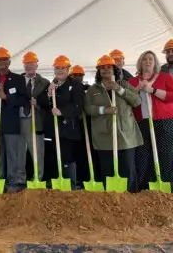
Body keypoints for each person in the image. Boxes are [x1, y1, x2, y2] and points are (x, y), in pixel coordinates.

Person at [85, 55, 142, 193]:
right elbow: (88, 108)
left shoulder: (124, 84)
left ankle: (130, 200)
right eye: (102, 68)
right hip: (103, 138)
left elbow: (137, 101)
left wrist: (118, 89)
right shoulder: (94, 89)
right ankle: (110, 203)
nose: (105, 70)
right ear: (99, 71)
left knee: (127, 170)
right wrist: (104, 110)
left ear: (114, 69)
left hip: (125, 136)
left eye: (109, 67)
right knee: (107, 171)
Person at [0, 47, 27, 193]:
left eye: (4, 59)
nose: (2, 62)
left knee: (12, 154)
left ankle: (13, 182)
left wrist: (6, 97)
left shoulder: (18, 79)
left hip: (11, 123)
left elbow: (23, 99)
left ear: (9, 61)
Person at [128, 50, 173, 191]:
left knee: (165, 153)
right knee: (142, 154)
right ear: (140, 63)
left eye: (150, 59)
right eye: (145, 59)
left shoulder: (164, 77)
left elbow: (172, 95)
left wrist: (152, 90)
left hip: (163, 121)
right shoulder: (132, 81)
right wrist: (137, 89)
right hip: (140, 122)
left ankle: (165, 183)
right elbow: (127, 99)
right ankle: (143, 186)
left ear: (155, 63)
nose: (147, 61)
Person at [43, 55, 83, 189]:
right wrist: (49, 94)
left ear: (68, 69)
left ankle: (71, 182)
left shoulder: (75, 84)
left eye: (62, 68)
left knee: (67, 154)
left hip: (68, 127)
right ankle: (60, 180)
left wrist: (62, 111)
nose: (59, 70)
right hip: (55, 127)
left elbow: (78, 105)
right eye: (57, 68)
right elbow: (45, 105)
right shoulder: (53, 84)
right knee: (56, 153)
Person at [18, 52, 49, 185]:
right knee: (19, 152)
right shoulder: (16, 80)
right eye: (27, 64)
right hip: (18, 120)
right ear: (23, 65)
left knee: (37, 151)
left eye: (32, 63)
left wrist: (37, 105)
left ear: (37, 64)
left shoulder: (45, 83)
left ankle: (38, 178)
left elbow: (48, 104)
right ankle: (20, 179)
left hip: (36, 121)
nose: (29, 66)